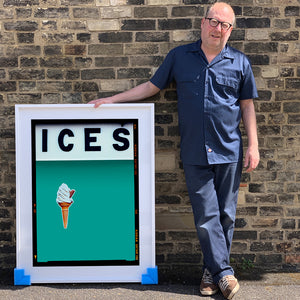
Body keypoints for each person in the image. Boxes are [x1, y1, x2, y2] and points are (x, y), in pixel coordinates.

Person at [89, 2, 259, 299]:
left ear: (231, 31)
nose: (218, 29)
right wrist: (114, 100)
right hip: (195, 151)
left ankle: (211, 274)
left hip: (230, 149)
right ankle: (225, 274)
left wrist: (254, 145)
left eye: (225, 25)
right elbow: (151, 87)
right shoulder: (179, 57)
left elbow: (247, 106)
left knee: (226, 216)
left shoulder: (240, 62)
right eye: (213, 21)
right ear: (203, 22)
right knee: (207, 216)